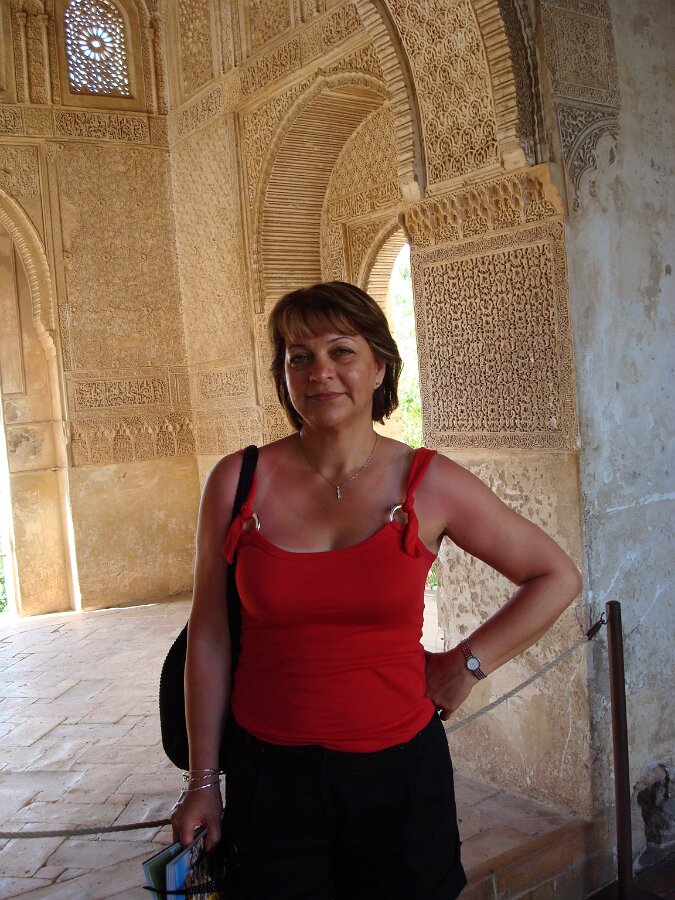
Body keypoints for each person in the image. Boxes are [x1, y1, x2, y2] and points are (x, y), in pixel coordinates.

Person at [171, 281, 582, 899]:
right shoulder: (238, 481)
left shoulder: (427, 483)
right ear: (283, 374)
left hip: (399, 778)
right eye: (300, 356)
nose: (320, 372)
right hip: (269, 778)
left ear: (379, 367)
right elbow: (209, 636)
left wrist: (467, 665)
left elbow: (555, 576)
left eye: (342, 351)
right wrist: (203, 780)